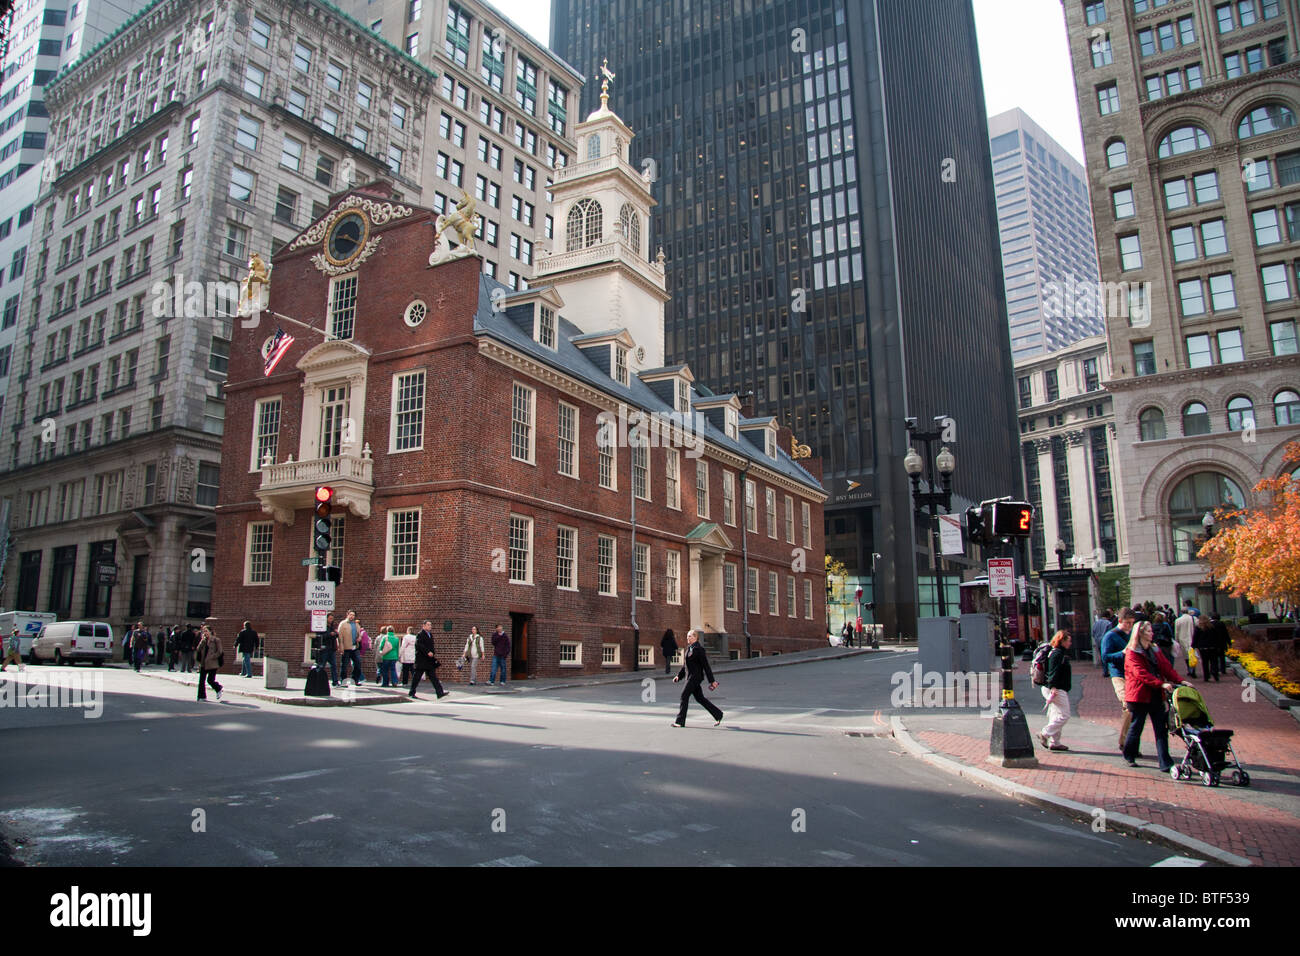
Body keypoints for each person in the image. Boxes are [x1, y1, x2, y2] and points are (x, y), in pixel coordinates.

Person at [1121, 620, 1186, 772]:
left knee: (1161, 728)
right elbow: (1140, 673)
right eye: (1149, 631)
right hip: (1139, 695)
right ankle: (1129, 754)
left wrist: (1180, 680)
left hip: (1155, 694)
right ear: (1141, 634)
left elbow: (1166, 667)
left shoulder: (1155, 649)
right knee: (1137, 726)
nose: (1152, 634)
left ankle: (1165, 761)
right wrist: (1161, 683)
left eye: (1151, 631)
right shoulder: (1132, 652)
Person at [1099, 607, 1137, 753]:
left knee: (1134, 709)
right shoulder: (1110, 636)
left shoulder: (1132, 634)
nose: (1130, 626)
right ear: (1120, 621)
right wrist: (1122, 653)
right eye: (1127, 623)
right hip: (1118, 674)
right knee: (1128, 705)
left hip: (1132, 674)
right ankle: (1125, 742)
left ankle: (1128, 740)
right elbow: (1105, 657)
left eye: (1132, 623)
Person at [671, 629, 723, 727]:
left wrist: (712, 681)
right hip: (689, 677)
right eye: (687, 636)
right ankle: (718, 714)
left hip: (695, 678)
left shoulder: (699, 649)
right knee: (700, 698)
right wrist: (679, 676)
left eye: (690, 636)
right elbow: (685, 665)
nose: (688, 638)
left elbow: (706, 666)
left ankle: (680, 721)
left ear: (695, 637)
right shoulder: (689, 648)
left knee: (684, 696)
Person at [1038, 630, 1072, 751]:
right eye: (1068, 640)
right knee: (1065, 715)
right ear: (1062, 641)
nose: (1070, 643)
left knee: (1056, 715)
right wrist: (1053, 686)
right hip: (1056, 688)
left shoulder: (1055, 652)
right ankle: (1045, 733)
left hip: (1052, 687)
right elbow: (1053, 671)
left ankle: (1055, 742)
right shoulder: (1058, 654)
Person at [409, 620, 448, 700]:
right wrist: (427, 652)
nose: (430, 626)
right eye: (428, 625)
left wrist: (432, 652)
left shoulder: (430, 635)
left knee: (433, 677)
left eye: (430, 625)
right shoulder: (420, 634)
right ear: (424, 626)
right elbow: (419, 645)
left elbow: (431, 646)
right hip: (421, 660)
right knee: (417, 677)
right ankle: (411, 692)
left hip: (429, 661)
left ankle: (440, 692)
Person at [195, 626, 224, 702]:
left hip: (212, 663)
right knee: (201, 681)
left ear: (210, 631)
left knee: (210, 680)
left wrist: (213, 656)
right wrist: (202, 641)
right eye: (204, 631)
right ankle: (201, 696)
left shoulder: (216, 640)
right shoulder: (204, 640)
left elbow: (220, 651)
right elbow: (198, 649)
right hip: (204, 663)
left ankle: (218, 688)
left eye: (206, 631)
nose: (205, 633)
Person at [337, 610, 364, 686]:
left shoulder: (356, 625)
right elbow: (340, 636)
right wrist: (340, 646)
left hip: (355, 647)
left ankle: (355, 680)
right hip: (346, 647)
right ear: (347, 615)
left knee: (358, 664)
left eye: (353, 615)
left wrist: (359, 638)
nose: (352, 616)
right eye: (350, 615)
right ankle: (343, 681)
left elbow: (359, 634)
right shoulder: (343, 624)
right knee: (344, 665)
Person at [1192, 615, 1218, 681]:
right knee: (1213, 660)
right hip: (1212, 646)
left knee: (1205, 662)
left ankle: (1206, 676)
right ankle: (1214, 672)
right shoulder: (1212, 627)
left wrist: (1194, 645)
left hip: (1203, 647)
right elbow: (1216, 636)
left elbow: (1195, 637)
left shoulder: (1198, 628)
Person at [318, 613, 340, 686]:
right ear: (326, 619)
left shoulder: (332, 627)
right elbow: (320, 636)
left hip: (332, 648)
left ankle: (335, 681)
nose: (331, 620)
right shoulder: (322, 627)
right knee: (322, 665)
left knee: (334, 665)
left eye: (332, 619)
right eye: (330, 618)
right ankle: (319, 680)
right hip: (325, 649)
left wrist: (336, 634)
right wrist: (329, 634)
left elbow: (336, 635)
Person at [1209, 614, 1230, 680]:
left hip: (1212, 643)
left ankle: (1214, 669)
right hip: (1221, 643)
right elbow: (1225, 633)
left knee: (1213, 658)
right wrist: (1228, 642)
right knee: (1222, 656)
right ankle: (1223, 669)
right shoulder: (1221, 624)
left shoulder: (1209, 624)